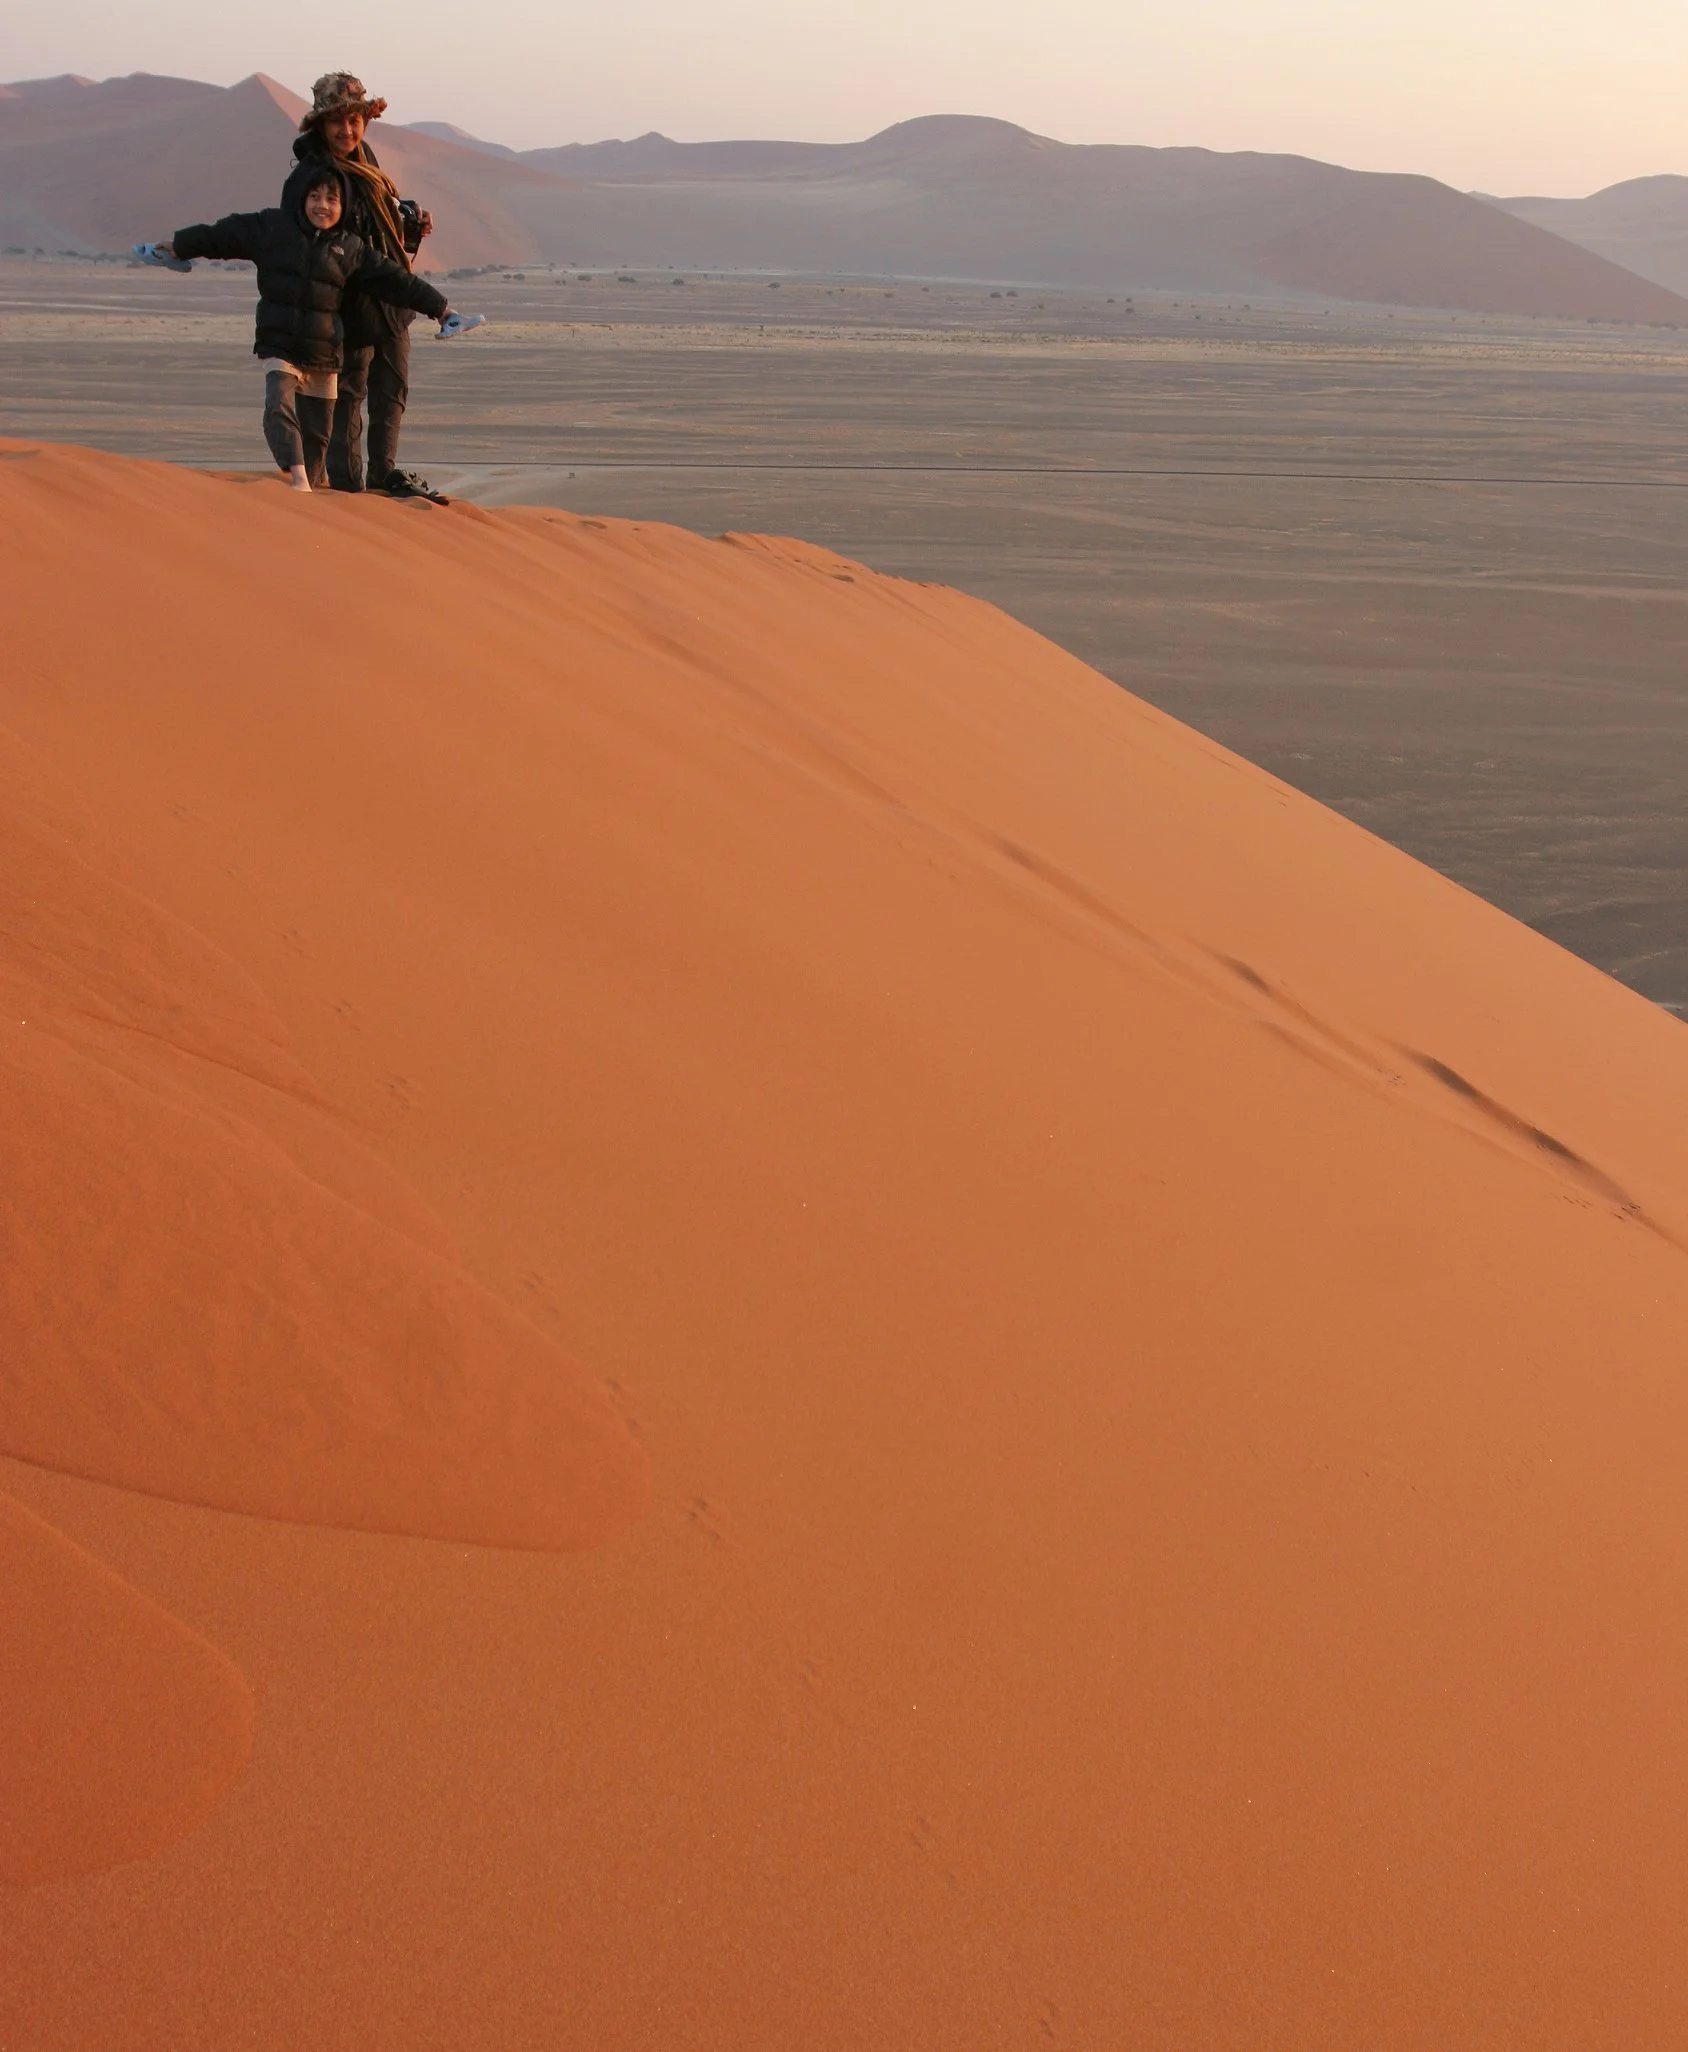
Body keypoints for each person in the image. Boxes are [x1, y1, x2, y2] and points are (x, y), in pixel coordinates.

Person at [154, 168, 455, 493]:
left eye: (332, 199)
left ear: (344, 206)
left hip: (323, 355)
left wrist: (442, 309)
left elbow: (396, 281)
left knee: (317, 440)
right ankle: (296, 477)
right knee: (277, 405)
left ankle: (305, 494)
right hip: (280, 347)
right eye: (314, 197)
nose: (322, 205)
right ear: (302, 198)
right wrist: (177, 246)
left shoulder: (349, 248)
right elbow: (221, 235)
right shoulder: (273, 228)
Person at [284, 73, 439, 499]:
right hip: (345, 307)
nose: (347, 130)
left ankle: (382, 478)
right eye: (337, 122)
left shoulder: (366, 163)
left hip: (391, 299)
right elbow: (301, 243)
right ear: (320, 125)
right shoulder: (312, 177)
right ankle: (347, 494)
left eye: (354, 120)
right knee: (349, 395)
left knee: (392, 391)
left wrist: (410, 228)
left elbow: (382, 227)